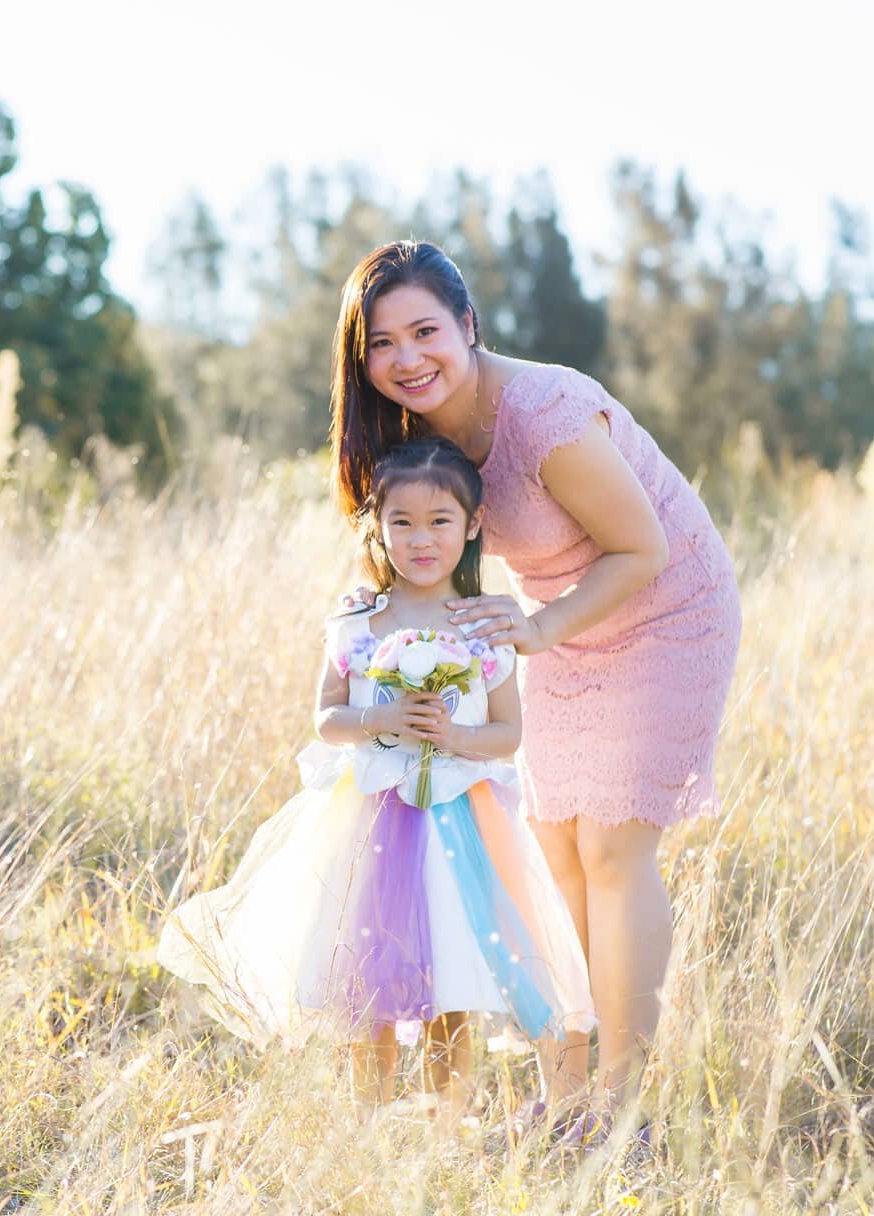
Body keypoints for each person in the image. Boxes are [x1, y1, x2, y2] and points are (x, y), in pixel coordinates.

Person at [329, 240, 741, 1143]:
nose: (406, 359)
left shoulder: (545, 410)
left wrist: (542, 631)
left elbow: (644, 549)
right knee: (554, 848)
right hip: (555, 623)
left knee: (612, 851)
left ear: (468, 326)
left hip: (665, 612)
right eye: (382, 344)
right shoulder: (420, 429)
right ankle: (572, 1081)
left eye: (426, 332)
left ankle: (620, 1111)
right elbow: (420, 533)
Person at [158, 436, 594, 1122]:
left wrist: (452, 737)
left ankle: (446, 1116)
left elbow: (508, 733)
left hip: (460, 823)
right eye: (402, 523)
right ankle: (367, 1120)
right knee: (371, 976)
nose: (421, 539)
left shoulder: (482, 625)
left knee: (454, 971)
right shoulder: (358, 621)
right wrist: (381, 716)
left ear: (472, 525)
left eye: (440, 521)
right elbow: (326, 720)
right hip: (370, 821)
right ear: (376, 527)